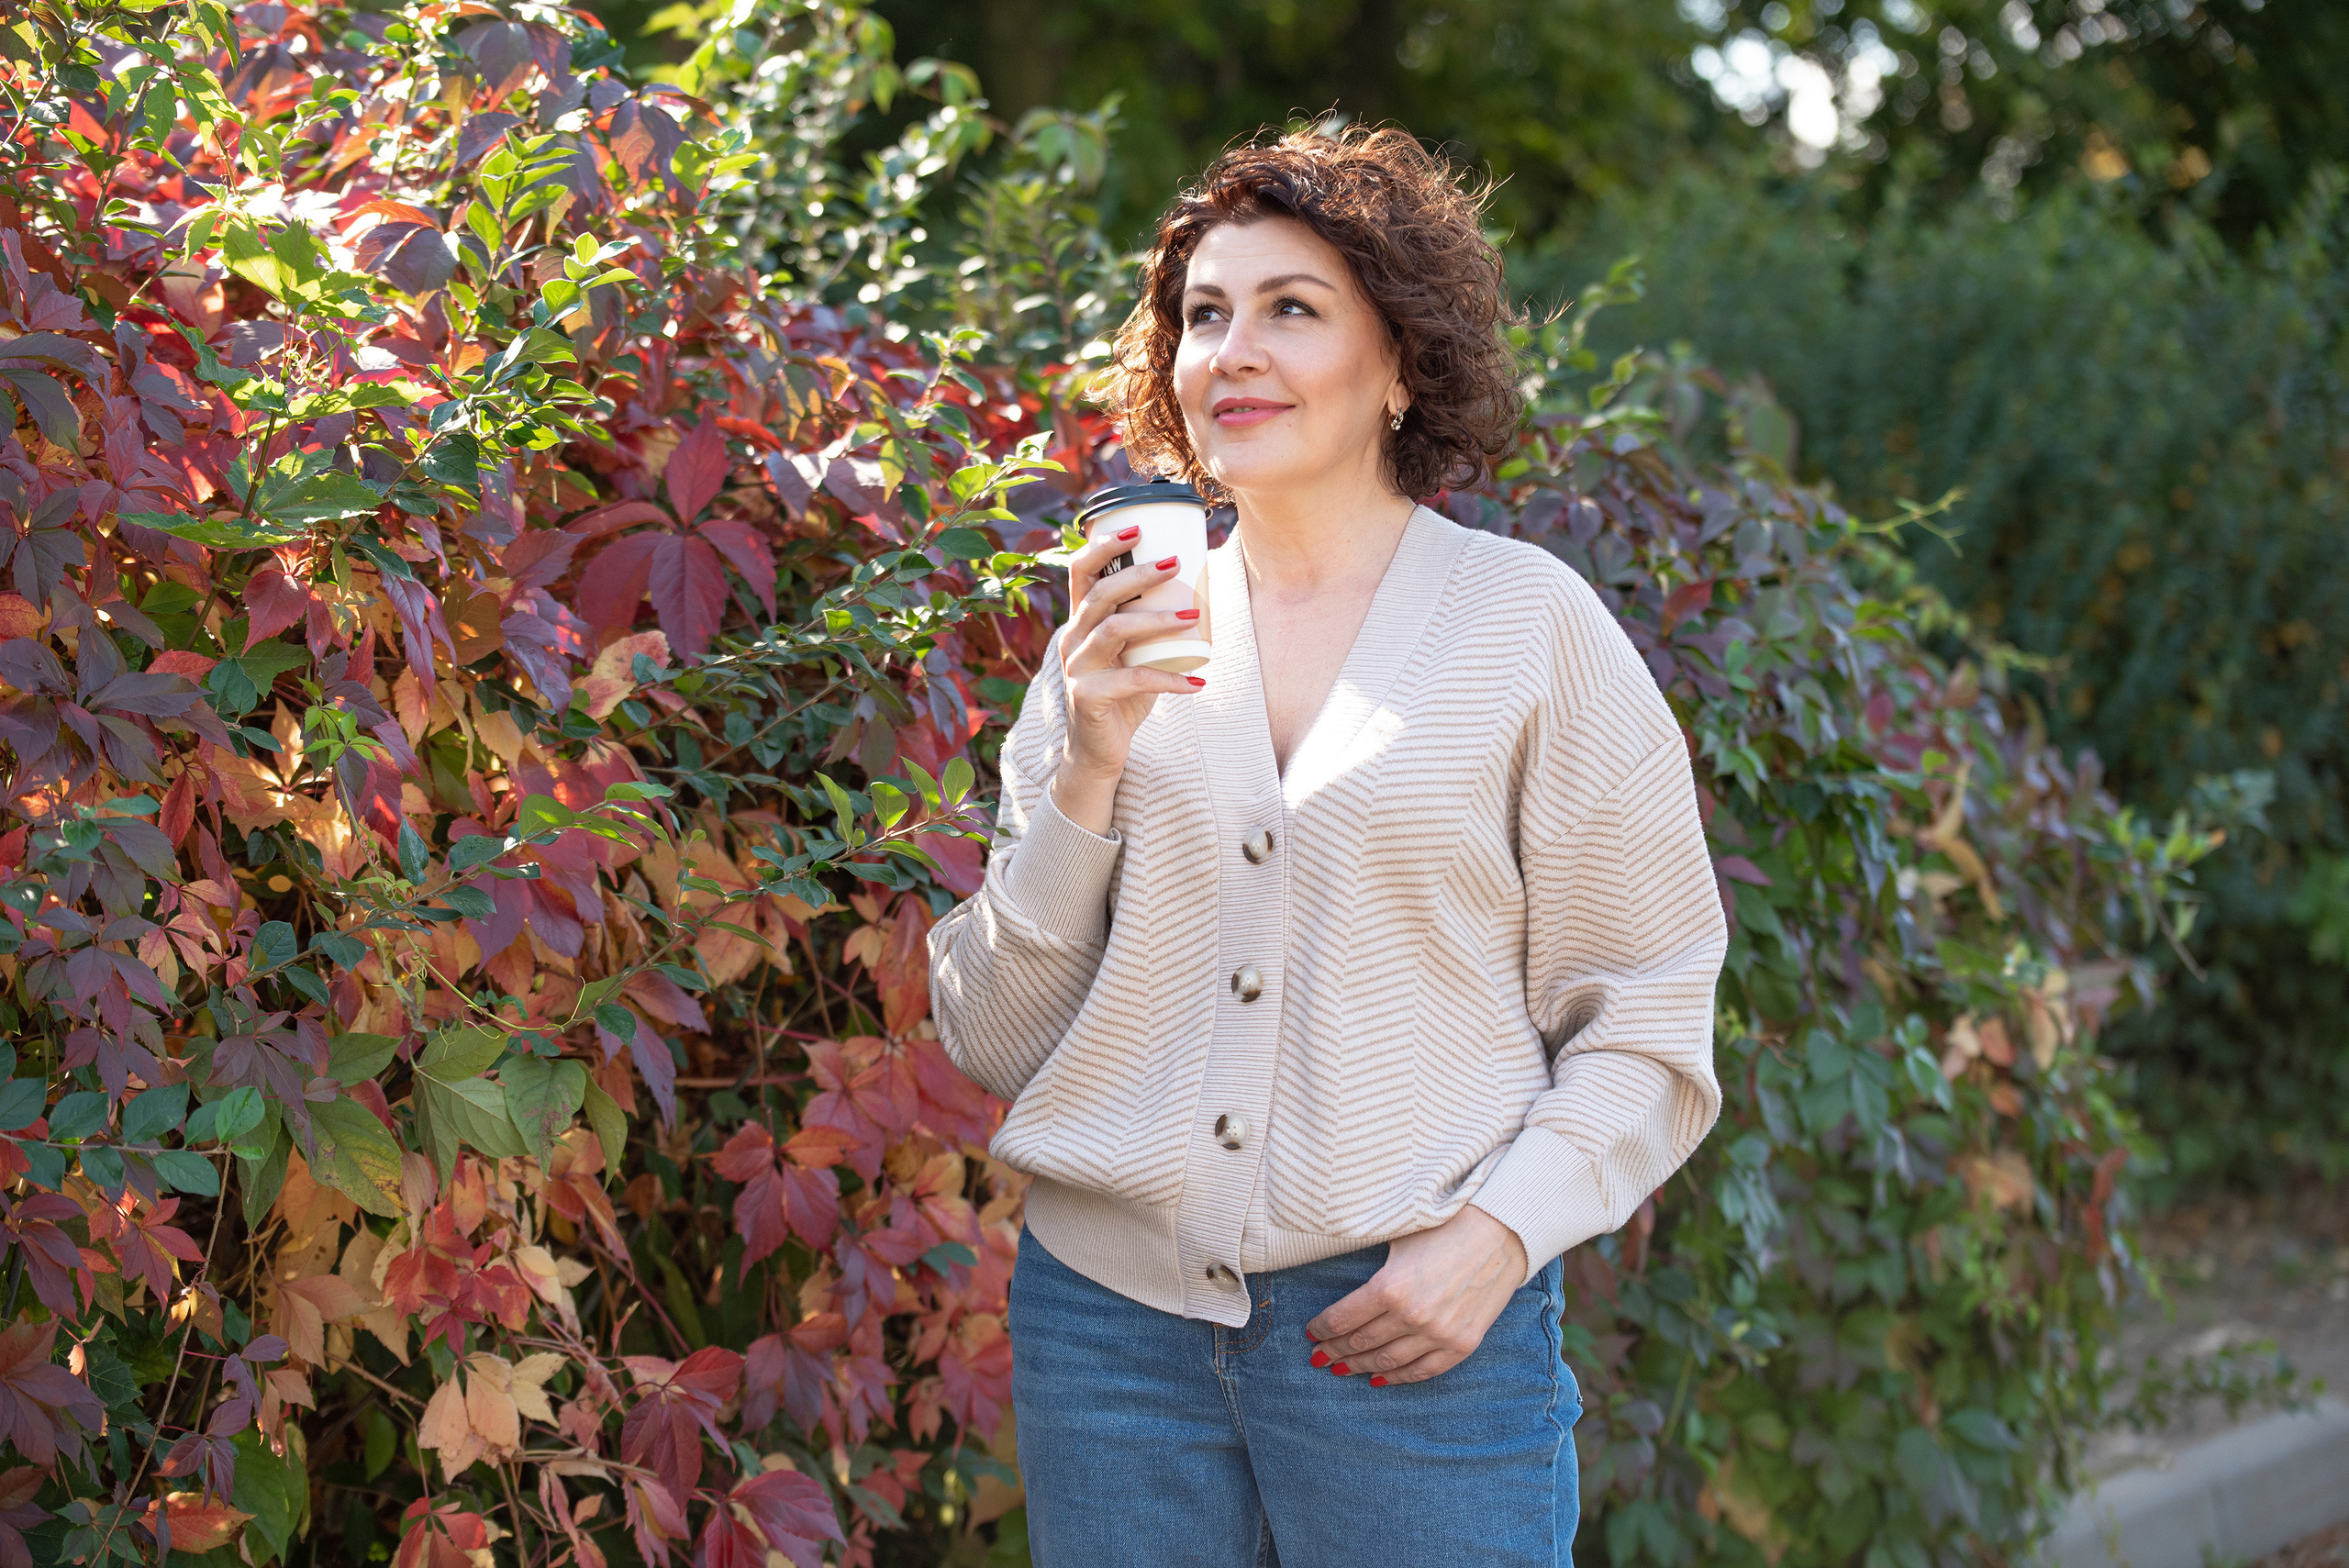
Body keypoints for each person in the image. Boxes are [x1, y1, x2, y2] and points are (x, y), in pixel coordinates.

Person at [928, 126, 1727, 1568]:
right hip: (1110, 1343)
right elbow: (996, 1035)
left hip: (1415, 1340)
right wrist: (1092, 764)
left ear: (1401, 363)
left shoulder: (1527, 630)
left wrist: (1497, 1238)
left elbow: (1653, 1012)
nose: (1234, 349)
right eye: (1205, 314)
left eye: (1293, 308)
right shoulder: (1106, 648)